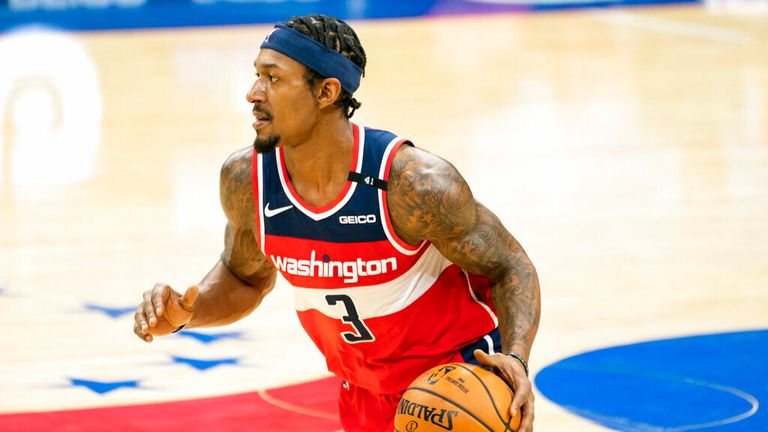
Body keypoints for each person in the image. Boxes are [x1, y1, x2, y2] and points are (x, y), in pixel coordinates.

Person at [133, 14, 540, 432]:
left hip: (457, 384)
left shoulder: (412, 183)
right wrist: (187, 313)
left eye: (273, 79)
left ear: (326, 92)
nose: (252, 93)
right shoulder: (248, 180)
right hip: (361, 392)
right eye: (257, 75)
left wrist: (516, 358)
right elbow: (245, 277)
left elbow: (509, 265)